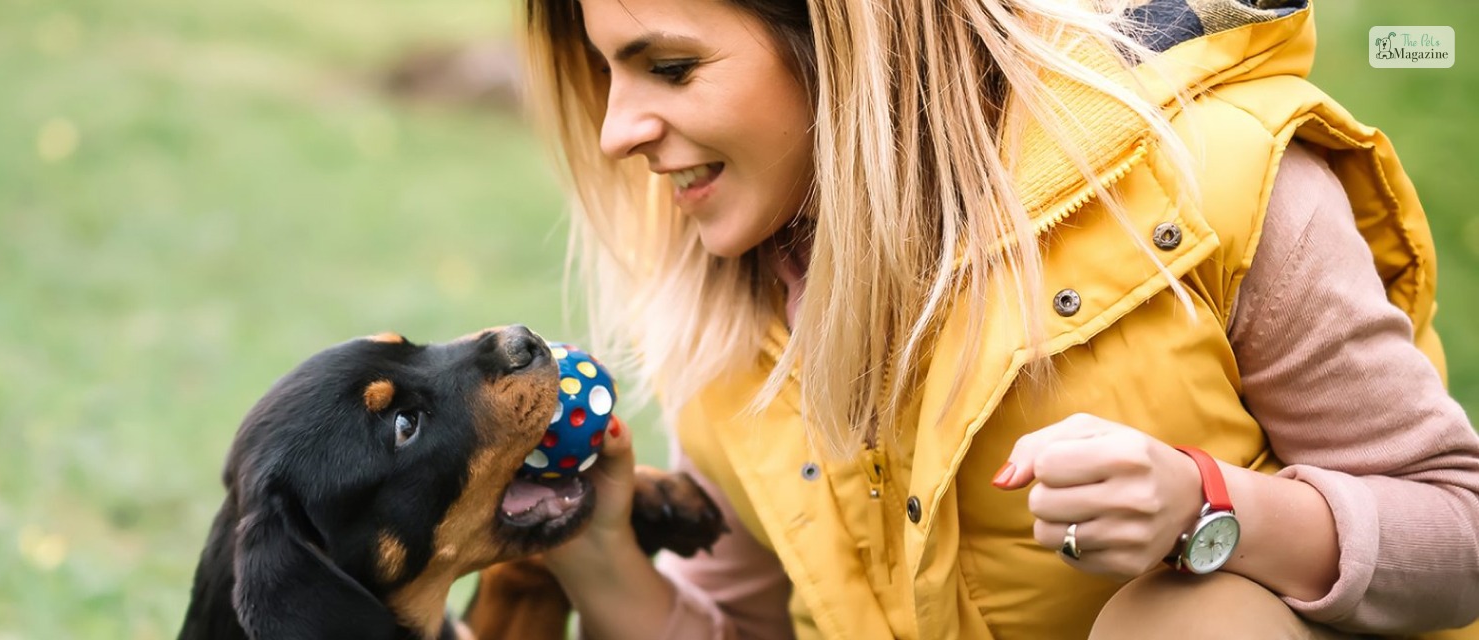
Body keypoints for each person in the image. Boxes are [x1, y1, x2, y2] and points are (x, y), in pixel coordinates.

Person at [513, 0, 1479, 637]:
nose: (616, 130)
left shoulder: (1209, 185)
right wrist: (597, 555)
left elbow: (1460, 531)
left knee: (1193, 622)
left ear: (841, 36)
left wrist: (1210, 507)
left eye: (671, 68)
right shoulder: (724, 312)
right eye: (608, 75)